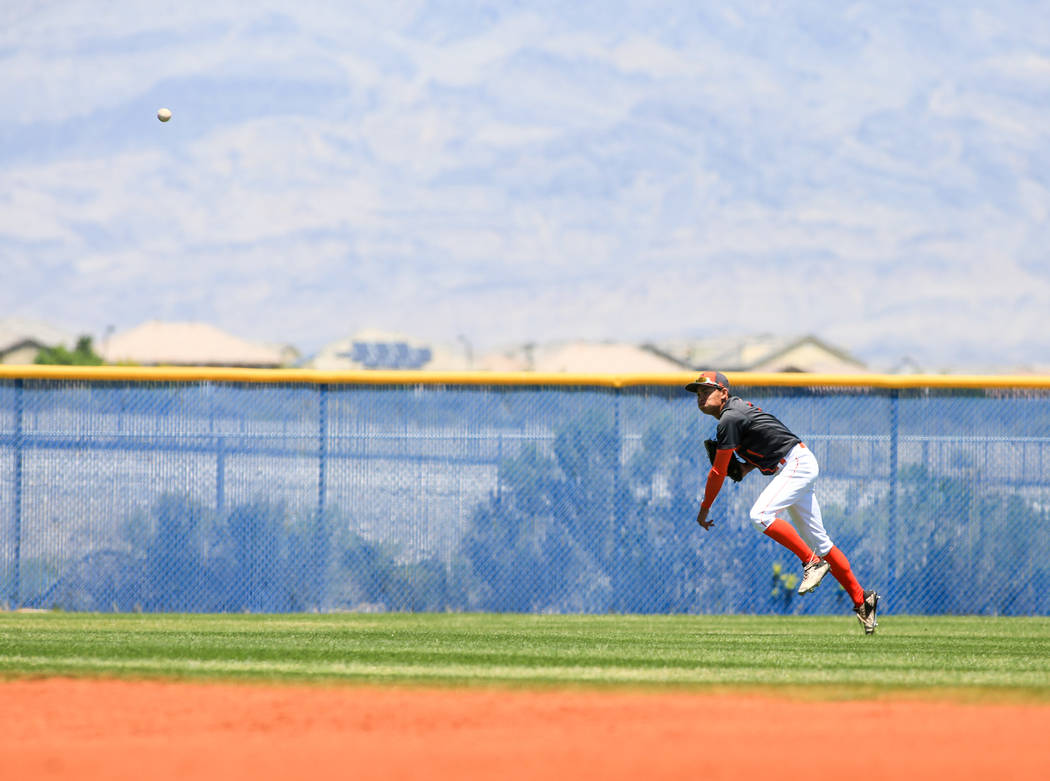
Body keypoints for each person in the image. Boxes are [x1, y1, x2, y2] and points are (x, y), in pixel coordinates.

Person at [686, 371, 879, 634]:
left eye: (706, 391)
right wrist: (745, 469)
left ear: (724, 393)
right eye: (698, 393)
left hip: (795, 465)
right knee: (821, 542)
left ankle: (810, 563)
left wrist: (704, 508)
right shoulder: (736, 412)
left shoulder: (729, 418)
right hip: (795, 462)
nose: (701, 397)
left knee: (760, 515)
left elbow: (717, 472)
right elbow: (769, 440)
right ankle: (862, 600)